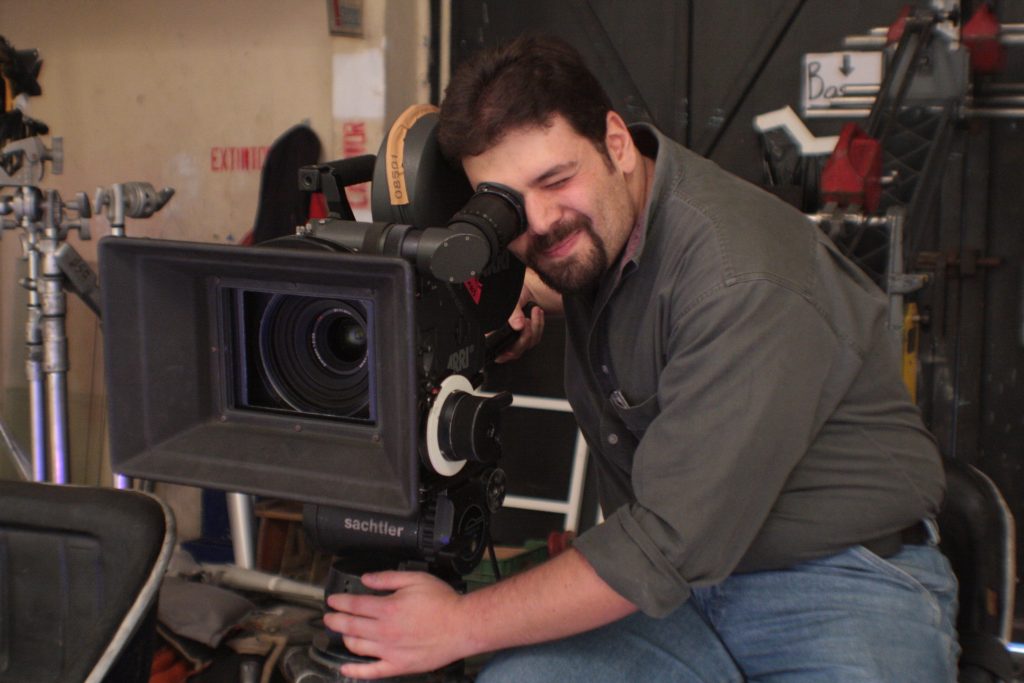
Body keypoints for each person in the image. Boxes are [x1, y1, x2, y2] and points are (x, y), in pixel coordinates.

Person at [323, 35, 958, 682]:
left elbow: (663, 542)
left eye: (555, 178)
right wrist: (515, 301)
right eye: (507, 203)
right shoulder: (606, 224)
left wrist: (456, 624)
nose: (539, 222)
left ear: (616, 143)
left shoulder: (742, 281)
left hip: (840, 586)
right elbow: (578, 271)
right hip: (683, 599)